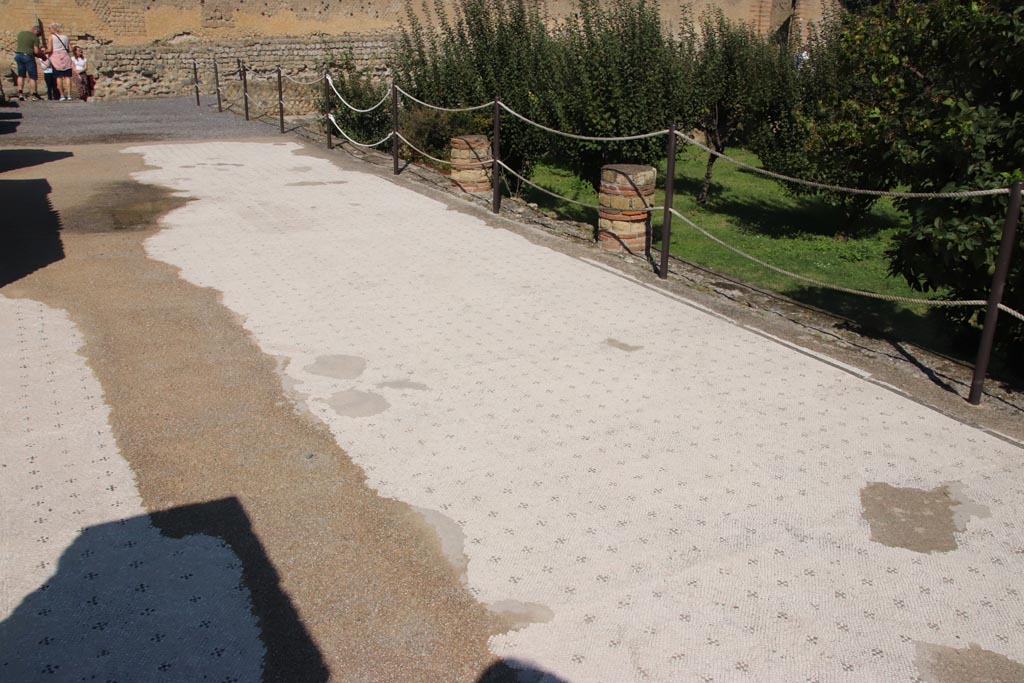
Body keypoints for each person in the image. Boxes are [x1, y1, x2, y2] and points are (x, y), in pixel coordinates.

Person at [46, 22, 73, 102]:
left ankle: (62, 95)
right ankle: (69, 95)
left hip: (56, 58)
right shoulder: (66, 37)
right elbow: (70, 49)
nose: (49, 30)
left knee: (59, 77)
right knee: (67, 77)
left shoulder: (51, 37)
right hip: (65, 56)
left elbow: (50, 49)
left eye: (50, 28)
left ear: (53, 29)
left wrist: (44, 52)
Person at [13, 25, 42, 100]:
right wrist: (42, 56)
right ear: (36, 31)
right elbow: (36, 51)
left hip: (18, 55)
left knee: (21, 75)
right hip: (28, 56)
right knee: (33, 76)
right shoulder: (35, 38)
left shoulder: (21, 33)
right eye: (38, 34)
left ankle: (20, 94)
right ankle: (33, 94)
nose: (38, 35)